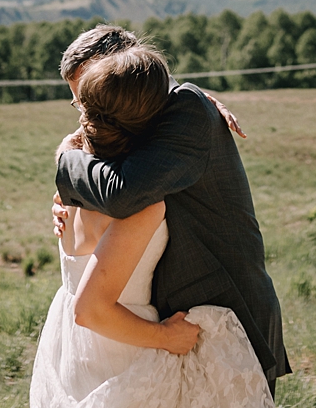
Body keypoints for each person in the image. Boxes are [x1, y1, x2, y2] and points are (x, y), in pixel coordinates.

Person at [30, 39, 272, 408]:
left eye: (91, 97)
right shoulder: (129, 141)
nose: (89, 112)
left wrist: (67, 159)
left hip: (223, 308)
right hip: (143, 333)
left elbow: (124, 193)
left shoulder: (183, 112)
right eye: (82, 102)